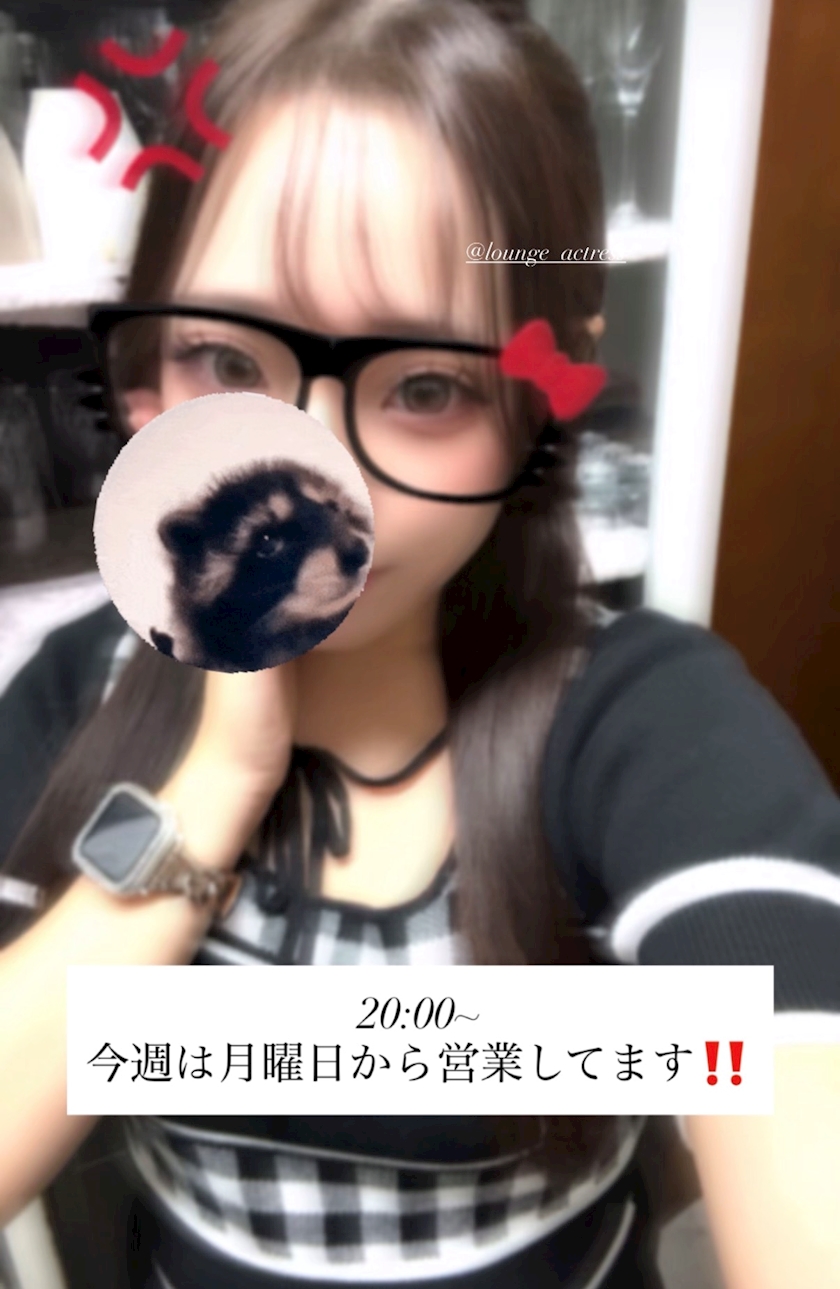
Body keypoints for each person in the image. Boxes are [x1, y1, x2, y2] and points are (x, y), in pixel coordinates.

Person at [0, 1, 839, 1286]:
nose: (316, 480)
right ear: (150, 378)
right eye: (231, 363)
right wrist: (214, 781)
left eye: (428, 387)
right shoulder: (77, 692)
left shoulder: (642, 727)